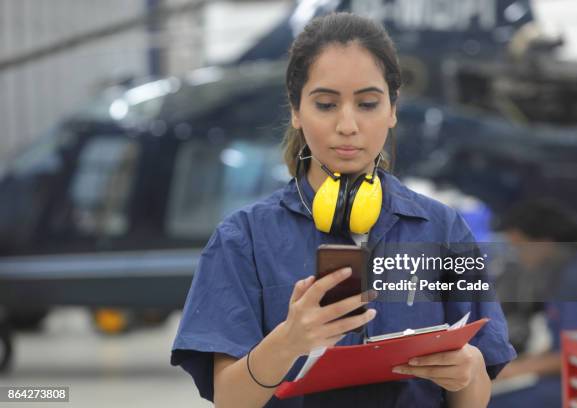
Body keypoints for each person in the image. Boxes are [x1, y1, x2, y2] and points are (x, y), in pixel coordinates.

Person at [171, 12, 516, 407]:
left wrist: (469, 370)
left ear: (392, 109)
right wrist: (288, 341)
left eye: (368, 103)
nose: (348, 124)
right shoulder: (242, 239)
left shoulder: (445, 230)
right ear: (297, 111)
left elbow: (475, 396)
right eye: (326, 104)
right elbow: (229, 400)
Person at [489, 199, 577, 408]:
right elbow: (563, 342)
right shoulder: (563, 270)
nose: (519, 257)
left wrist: (514, 370)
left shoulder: (576, 277)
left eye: (520, 248)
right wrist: (523, 362)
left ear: (544, 242)